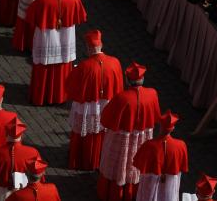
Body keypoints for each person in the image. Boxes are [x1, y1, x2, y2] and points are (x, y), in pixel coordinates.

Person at [97, 62, 162, 201]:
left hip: (122, 138)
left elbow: (106, 119)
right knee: (136, 164)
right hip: (143, 138)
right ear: (143, 79)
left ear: (127, 80)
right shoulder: (152, 94)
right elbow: (156, 116)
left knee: (120, 162)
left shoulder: (121, 98)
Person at [65, 29, 123, 170]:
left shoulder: (84, 66)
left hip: (88, 107)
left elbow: (70, 87)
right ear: (101, 44)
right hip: (107, 105)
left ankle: (82, 160)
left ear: (89, 48)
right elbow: (119, 87)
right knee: (103, 134)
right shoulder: (115, 62)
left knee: (86, 135)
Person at [28, 0, 87, 105]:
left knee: (44, 66)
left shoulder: (41, 1)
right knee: (63, 66)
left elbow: (30, 19)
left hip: (47, 39)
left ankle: (41, 95)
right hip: (66, 37)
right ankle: (60, 96)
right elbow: (82, 17)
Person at [0, 117, 41, 200]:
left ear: (6, 134)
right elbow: (38, 175)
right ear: (22, 134)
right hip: (23, 193)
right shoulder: (33, 152)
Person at [131, 111, 189, 201]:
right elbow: (183, 167)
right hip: (170, 181)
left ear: (160, 126)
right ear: (173, 128)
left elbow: (138, 164)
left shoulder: (148, 145)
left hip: (151, 181)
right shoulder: (181, 145)